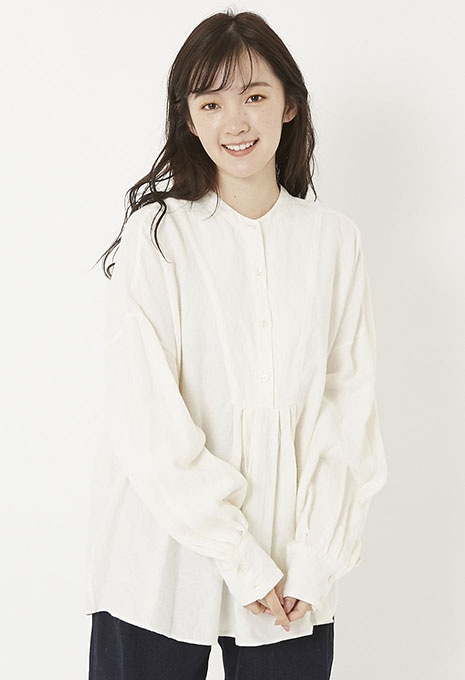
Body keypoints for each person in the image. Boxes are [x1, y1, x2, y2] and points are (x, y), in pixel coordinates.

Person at [85, 9, 387, 680]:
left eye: (253, 95)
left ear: (289, 105)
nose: (235, 121)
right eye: (211, 103)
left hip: (292, 571)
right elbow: (146, 418)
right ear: (189, 121)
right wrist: (236, 552)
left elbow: (346, 413)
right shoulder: (158, 236)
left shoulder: (334, 242)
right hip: (158, 561)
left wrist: (315, 557)